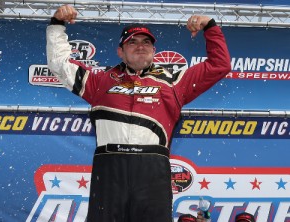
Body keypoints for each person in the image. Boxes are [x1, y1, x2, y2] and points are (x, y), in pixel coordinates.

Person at [46, 4, 231, 222]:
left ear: (154, 50)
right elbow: (59, 64)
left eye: (146, 42)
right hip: (110, 168)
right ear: (120, 51)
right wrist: (57, 24)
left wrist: (210, 26)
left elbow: (220, 64)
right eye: (132, 42)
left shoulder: (174, 83)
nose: (140, 47)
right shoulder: (99, 81)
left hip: (152, 170)